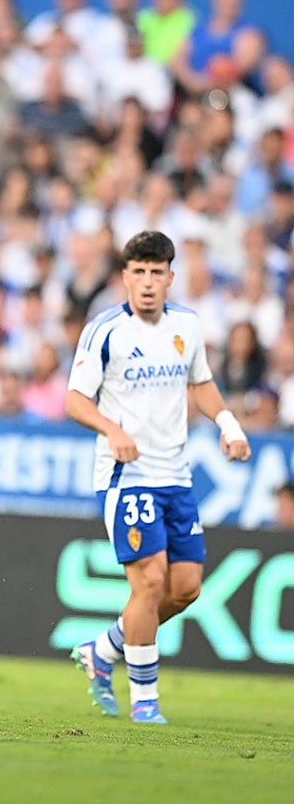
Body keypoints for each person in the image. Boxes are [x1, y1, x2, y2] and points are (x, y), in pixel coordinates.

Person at [65, 230, 250, 725]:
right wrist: (111, 429)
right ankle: (145, 702)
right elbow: (75, 399)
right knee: (148, 581)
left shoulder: (187, 326)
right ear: (125, 277)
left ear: (170, 277)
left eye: (156, 272)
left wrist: (228, 425)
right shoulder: (105, 330)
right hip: (126, 474)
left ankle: (103, 649)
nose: (147, 282)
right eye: (138, 272)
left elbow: (202, 382)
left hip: (176, 473)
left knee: (185, 587)